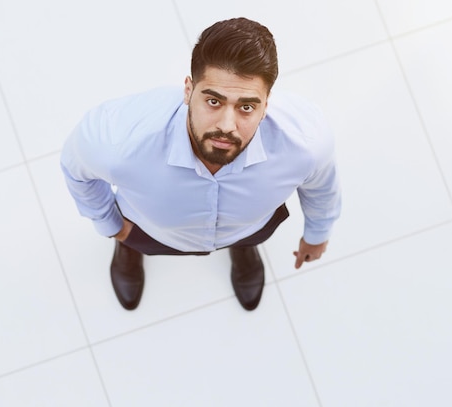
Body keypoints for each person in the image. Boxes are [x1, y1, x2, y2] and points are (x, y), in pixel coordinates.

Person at [60, 17, 341, 311]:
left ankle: (242, 248)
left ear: (266, 104)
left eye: (246, 107)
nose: (227, 126)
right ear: (188, 90)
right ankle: (128, 251)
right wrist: (113, 226)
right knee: (132, 241)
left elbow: (321, 188)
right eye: (214, 101)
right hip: (150, 232)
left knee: (246, 237)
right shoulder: (119, 140)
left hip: (247, 228)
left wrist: (317, 234)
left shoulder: (306, 142)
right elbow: (75, 170)